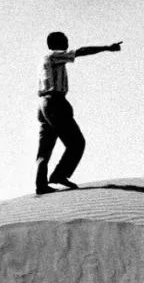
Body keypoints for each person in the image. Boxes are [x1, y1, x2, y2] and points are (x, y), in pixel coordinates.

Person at [35, 32, 122, 194]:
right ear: (59, 44)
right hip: (55, 102)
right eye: (66, 42)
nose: (68, 45)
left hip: (43, 104)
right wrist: (107, 48)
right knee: (76, 143)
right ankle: (59, 175)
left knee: (45, 149)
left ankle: (41, 184)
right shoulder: (54, 56)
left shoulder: (44, 60)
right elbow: (81, 51)